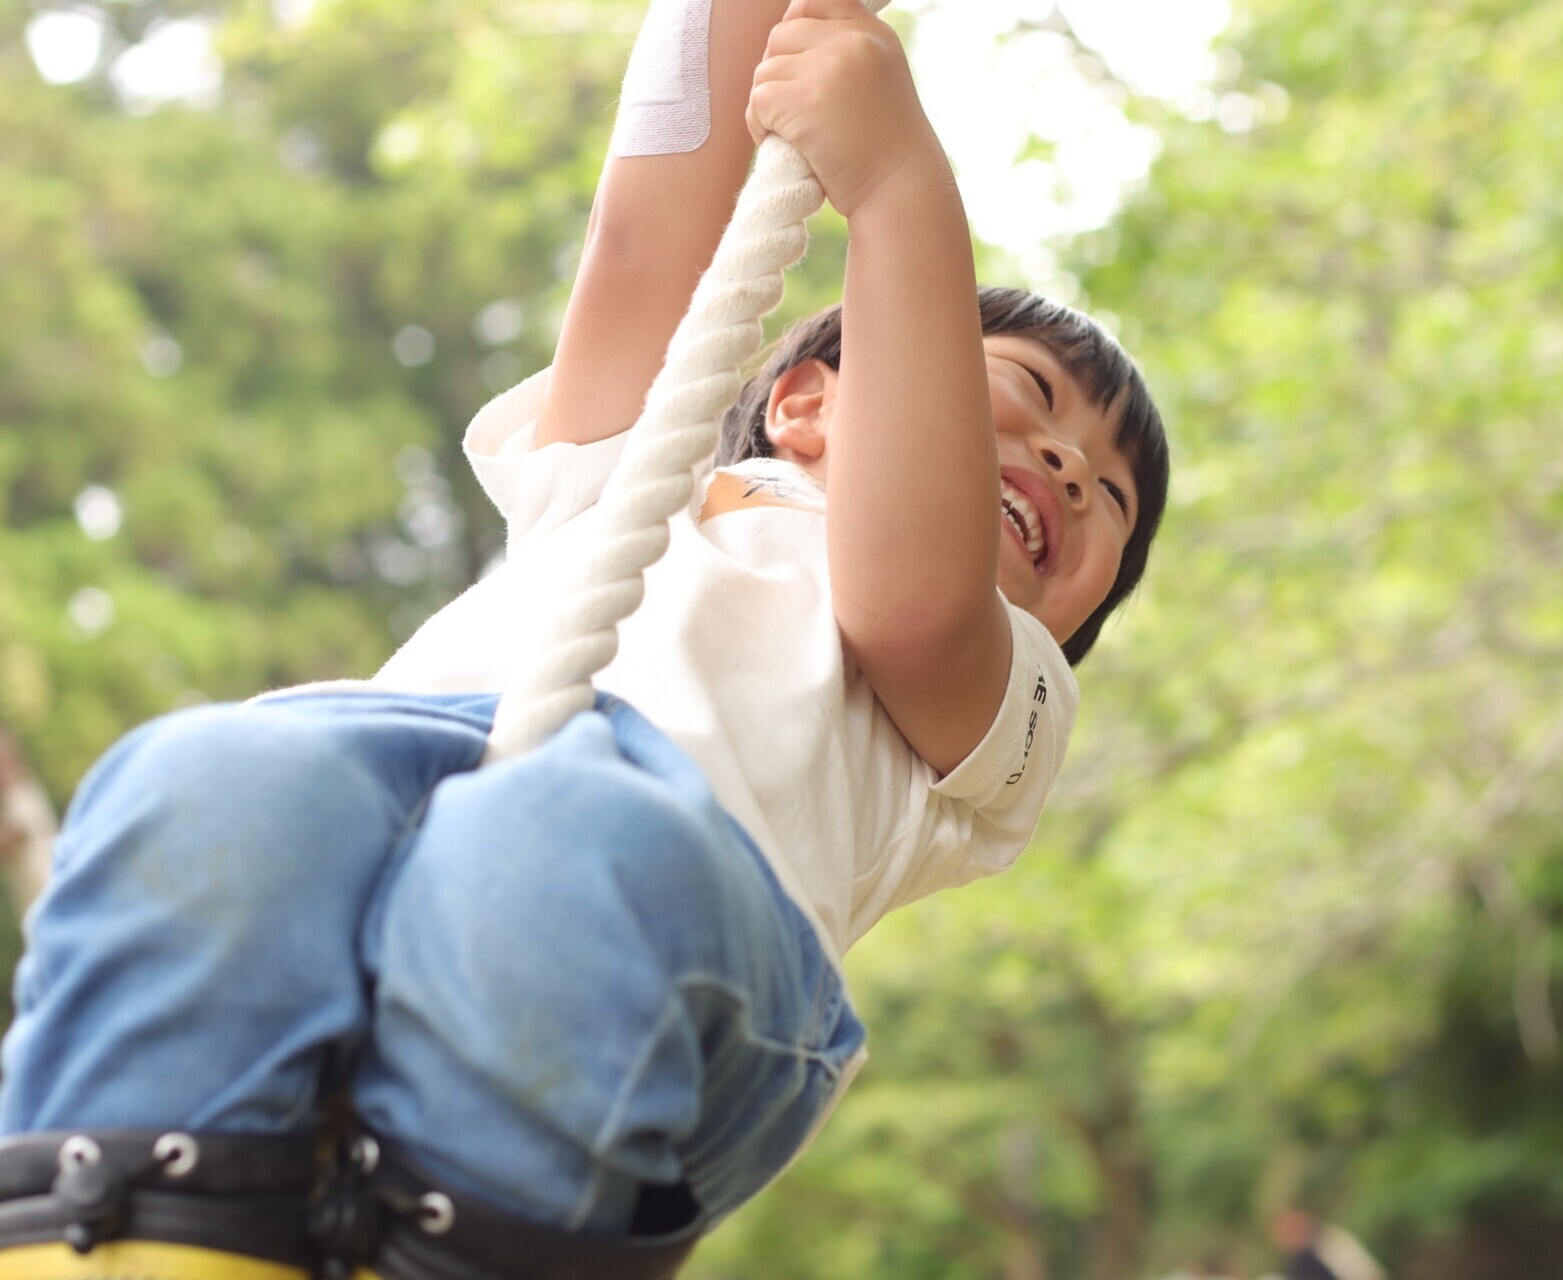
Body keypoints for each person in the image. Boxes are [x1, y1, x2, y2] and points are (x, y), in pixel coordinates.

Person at [0, 0, 1169, 1274]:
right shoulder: (635, 480)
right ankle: (121, 1230)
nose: (1070, 462)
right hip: (411, 779)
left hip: (685, 924)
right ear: (802, 404)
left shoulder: (1001, 699)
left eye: (1110, 497)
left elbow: (915, 597)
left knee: (555, 843)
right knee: (212, 776)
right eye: (1029, 393)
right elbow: (645, 229)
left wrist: (897, 189)